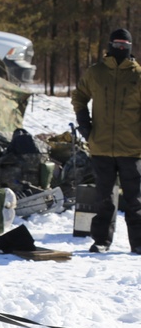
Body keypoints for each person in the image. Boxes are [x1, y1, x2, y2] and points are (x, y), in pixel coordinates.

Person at [71, 28, 141, 254]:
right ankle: (101, 241)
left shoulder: (138, 75)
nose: (120, 48)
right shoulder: (96, 73)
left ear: (130, 47)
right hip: (100, 146)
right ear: (110, 46)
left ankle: (138, 243)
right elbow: (79, 97)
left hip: (132, 149)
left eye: (124, 44)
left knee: (135, 201)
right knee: (104, 200)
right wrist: (84, 126)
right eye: (117, 44)